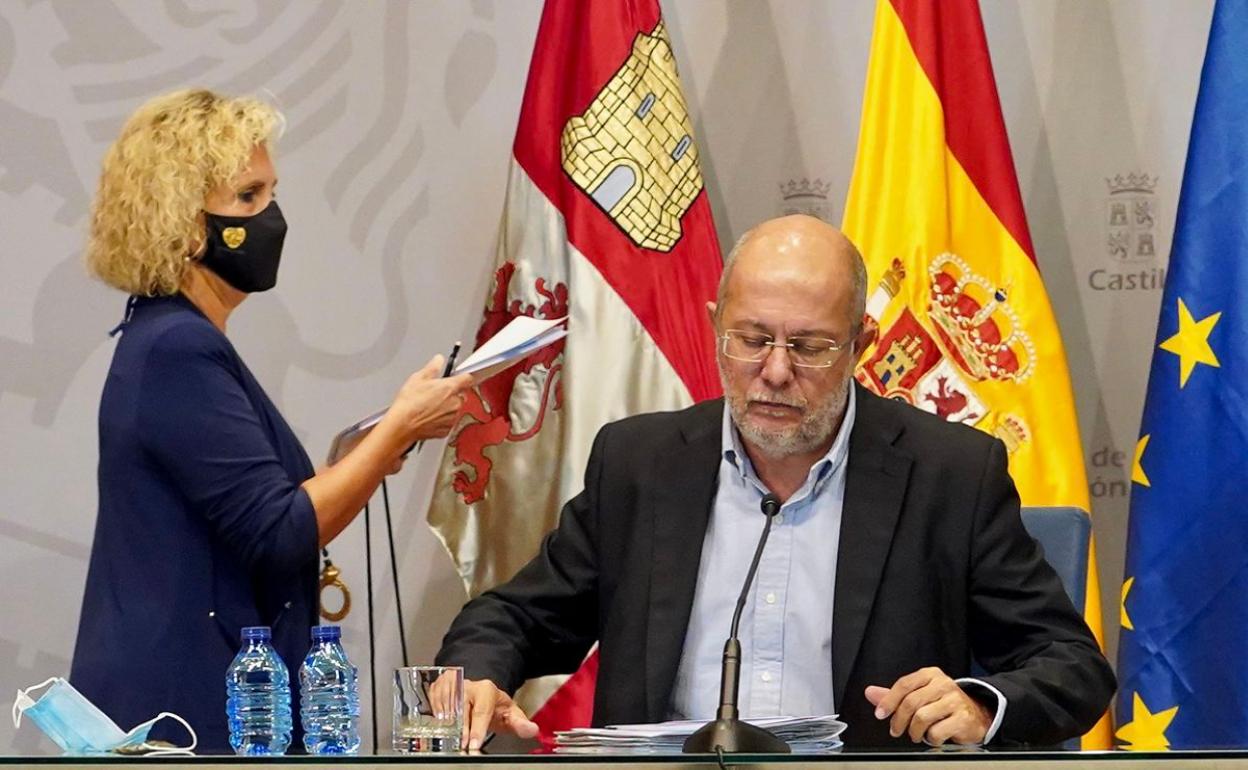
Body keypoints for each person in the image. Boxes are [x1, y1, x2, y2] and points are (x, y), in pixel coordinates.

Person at [435, 214, 1115, 749]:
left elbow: (1071, 667)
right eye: (751, 339)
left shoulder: (951, 475)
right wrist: (482, 674)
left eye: (811, 346)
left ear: (862, 344)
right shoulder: (642, 464)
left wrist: (976, 703)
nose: (777, 372)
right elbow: (515, 615)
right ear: (713, 328)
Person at [70, 89, 473, 752]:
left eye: (271, 193)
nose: (274, 218)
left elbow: (251, 513)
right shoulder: (178, 348)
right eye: (249, 197)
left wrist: (372, 446)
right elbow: (279, 531)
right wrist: (397, 431)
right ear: (184, 222)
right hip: (189, 720)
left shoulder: (171, 339)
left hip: (200, 710)